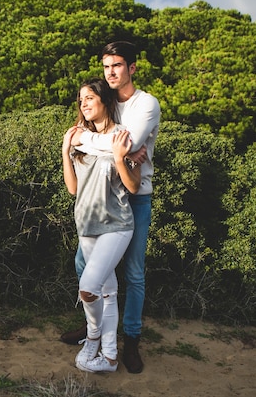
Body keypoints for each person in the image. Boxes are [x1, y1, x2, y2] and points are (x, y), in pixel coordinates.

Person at [61, 41, 161, 374]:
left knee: (132, 272)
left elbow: (126, 144)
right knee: (85, 267)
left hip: (135, 194)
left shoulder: (145, 104)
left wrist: (84, 141)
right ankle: (97, 330)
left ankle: (130, 340)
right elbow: (113, 142)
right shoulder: (104, 103)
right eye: (107, 66)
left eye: (118, 65)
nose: (112, 71)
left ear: (132, 67)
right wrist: (110, 148)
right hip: (98, 196)